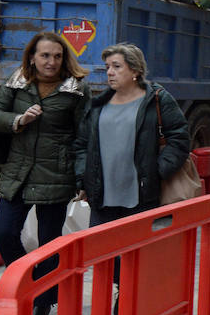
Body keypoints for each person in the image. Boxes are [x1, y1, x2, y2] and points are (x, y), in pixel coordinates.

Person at [0, 32, 91, 315]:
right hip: (18, 172)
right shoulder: (18, 81)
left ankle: (43, 300)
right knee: (4, 233)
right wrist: (19, 120)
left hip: (57, 173)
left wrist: (82, 178)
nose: (51, 62)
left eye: (57, 56)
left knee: (49, 243)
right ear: (32, 57)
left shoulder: (76, 90)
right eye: (45, 55)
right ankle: (32, 284)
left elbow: (85, 136)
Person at [75, 43, 191, 229]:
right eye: (107, 67)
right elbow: (82, 144)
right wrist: (84, 179)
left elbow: (179, 138)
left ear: (135, 70)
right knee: (102, 246)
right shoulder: (98, 104)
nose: (109, 72)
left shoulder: (157, 99)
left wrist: (156, 172)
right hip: (102, 200)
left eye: (116, 66)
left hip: (140, 199)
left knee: (135, 247)